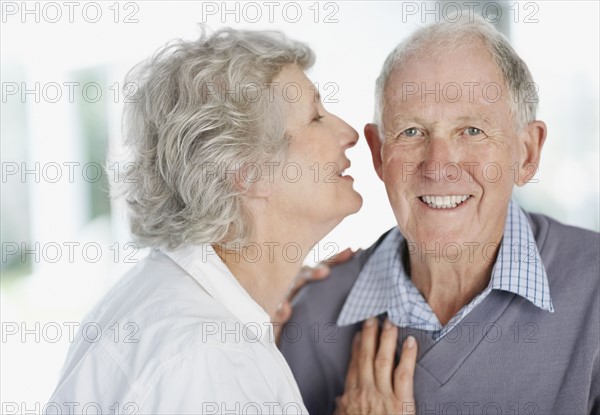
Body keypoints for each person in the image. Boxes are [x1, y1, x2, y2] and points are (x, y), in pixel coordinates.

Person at [45, 27, 420, 414]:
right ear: (248, 171)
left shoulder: (176, 308)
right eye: (315, 117)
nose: (349, 133)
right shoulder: (206, 359)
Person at [280, 13, 600, 415]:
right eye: (412, 132)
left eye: (472, 131)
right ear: (379, 153)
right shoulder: (310, 317)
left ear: (527, 152)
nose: (438, 167)